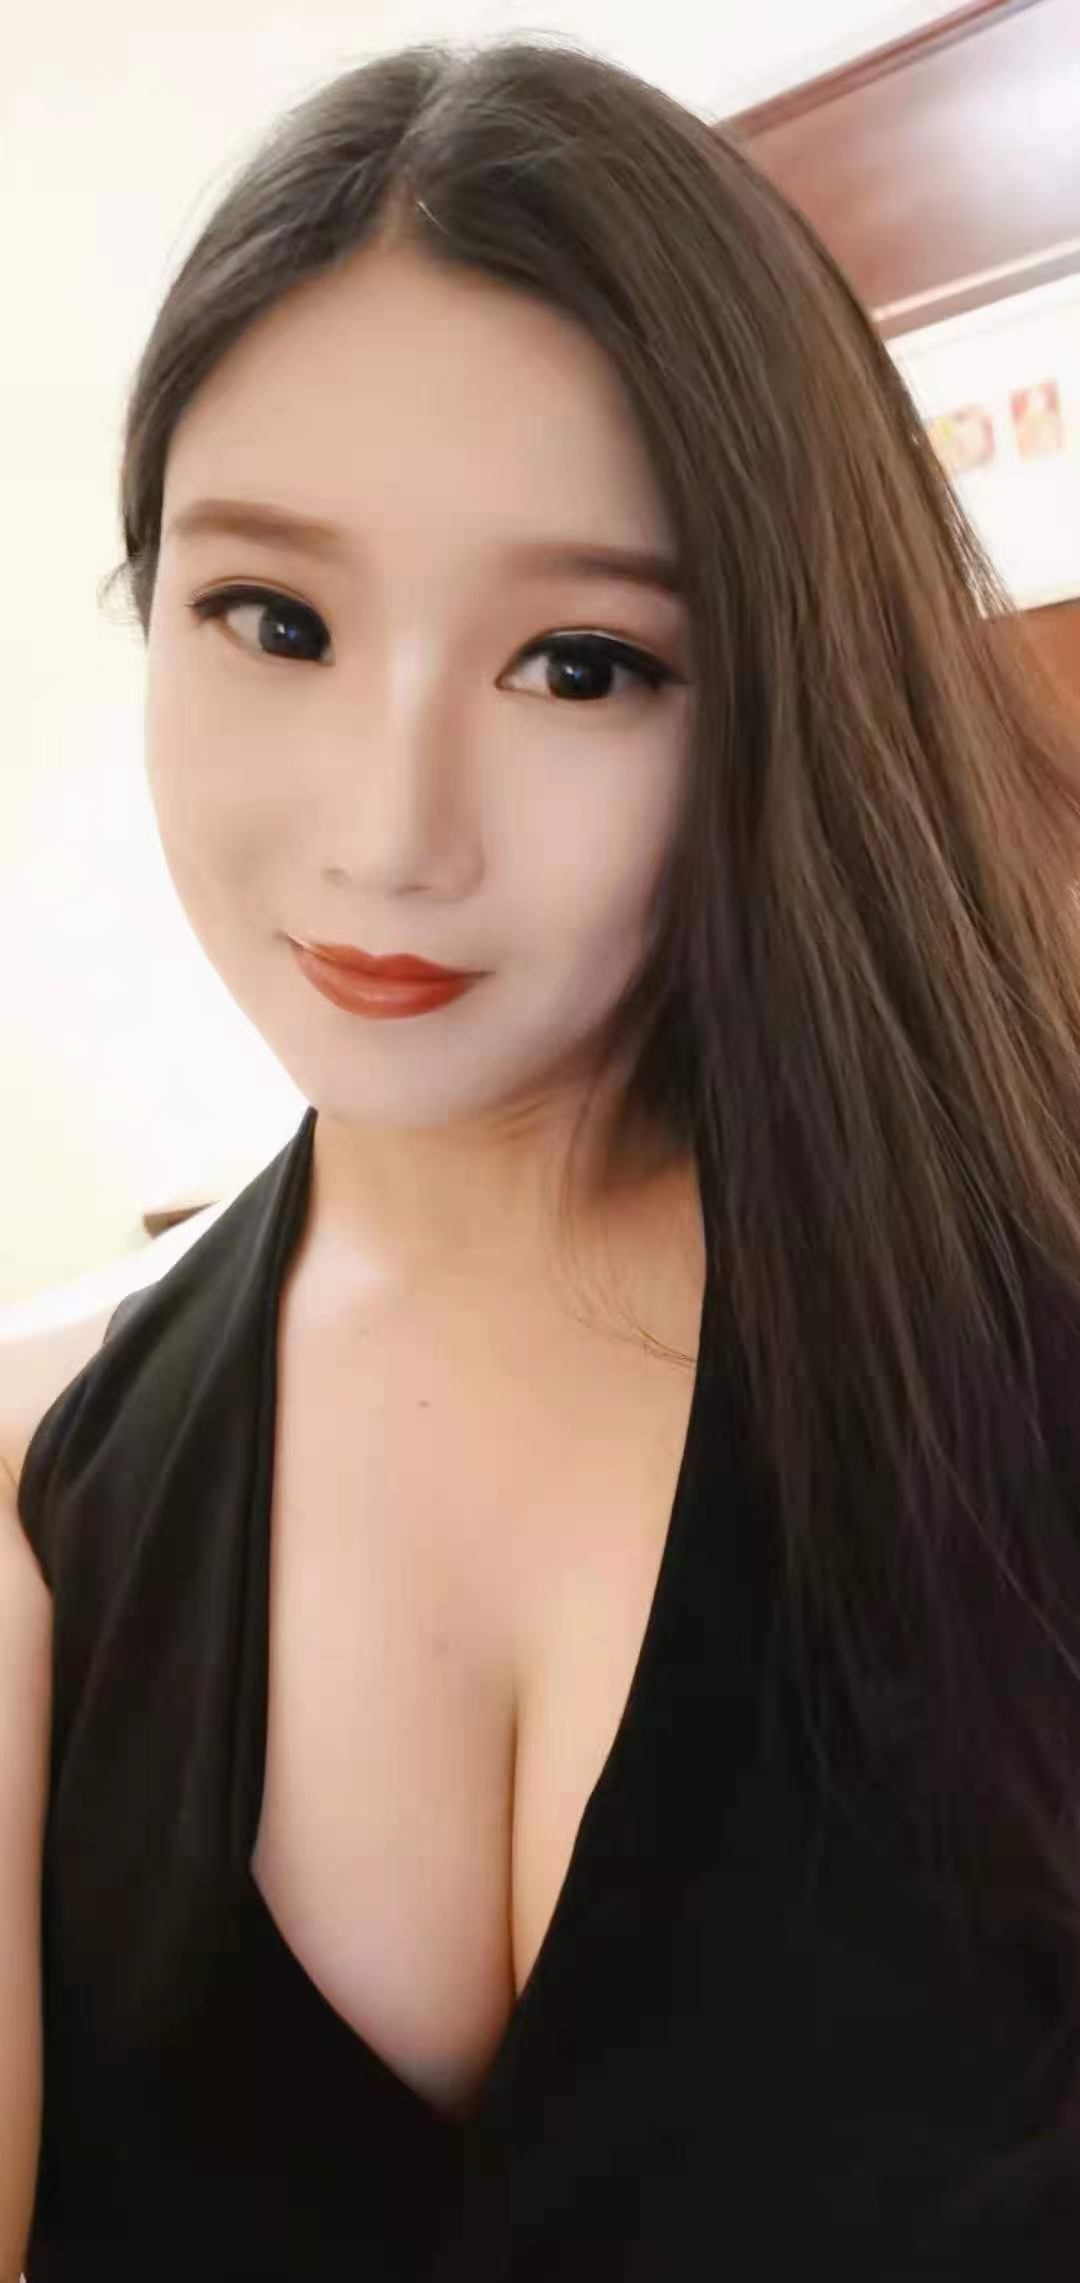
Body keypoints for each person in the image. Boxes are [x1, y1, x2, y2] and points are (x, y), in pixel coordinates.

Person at [4, 34, 1080, 2283]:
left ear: (789, 686)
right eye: (275, 619)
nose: (391, 833)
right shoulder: (52, 1517)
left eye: (582, 664)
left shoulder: (1025, 1324)